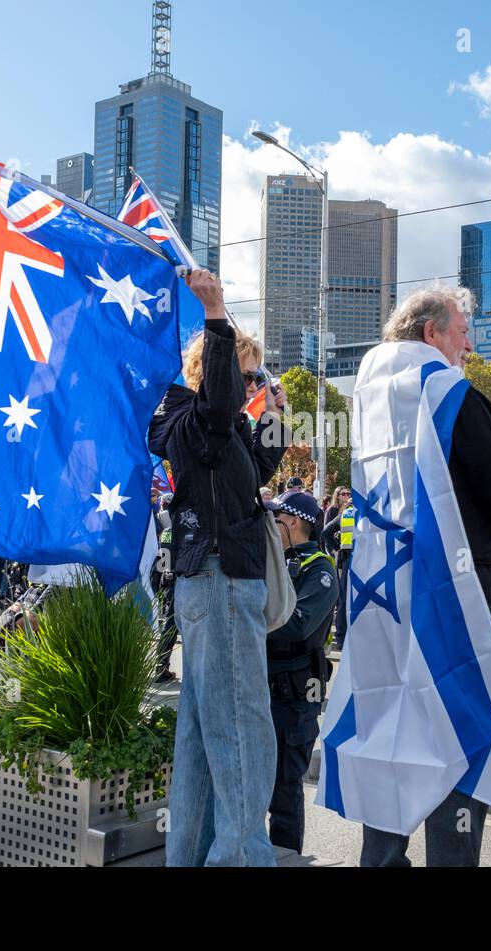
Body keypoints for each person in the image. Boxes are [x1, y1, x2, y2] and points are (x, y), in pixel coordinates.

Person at [356, 284, 491, 868]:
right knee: (457, 725)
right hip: (454, 587)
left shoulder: (371, 394)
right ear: (431, 333)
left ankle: (381, 859)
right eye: (462, 331)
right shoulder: (450, 392)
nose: (469, 344)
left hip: (381, 592)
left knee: (389, 722)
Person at [147, 269, 290, 867]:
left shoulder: (216, 430)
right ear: (217, 371)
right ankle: (240, 857)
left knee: (206, 729)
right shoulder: (195, 419)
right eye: (247, 375)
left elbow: (255, 470)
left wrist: (278, 418)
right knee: (243, 725)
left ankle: (194, 853)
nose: (253, 387)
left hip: (218, 578)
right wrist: (215, 313)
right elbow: (216, 410)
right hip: (220, 578)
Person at [263, 490, 338, 853]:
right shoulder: (275, 561)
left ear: (293, 522)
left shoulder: (319, 569)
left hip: (293, 699)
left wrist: (250, 612)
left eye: (275, 519)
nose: (270, 525)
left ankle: (287, 858)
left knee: (284, 793)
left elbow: (298, 625)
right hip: (262, 689)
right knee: (253, 786)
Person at [322, 486, 355, 650]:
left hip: (347, 559)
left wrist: (338, 548)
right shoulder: (368, 514)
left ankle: (341, 639)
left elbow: (326, 532)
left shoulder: (346, 513)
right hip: (357, 559)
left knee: (343, 599)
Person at [153, 493, 177, 683]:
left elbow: (162, 558)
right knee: (171, 625)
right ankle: (161, 667)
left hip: (169, 580)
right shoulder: (173, 526)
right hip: (177, 580)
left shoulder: (167, 527)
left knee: (170, 625)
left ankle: (162, 665)